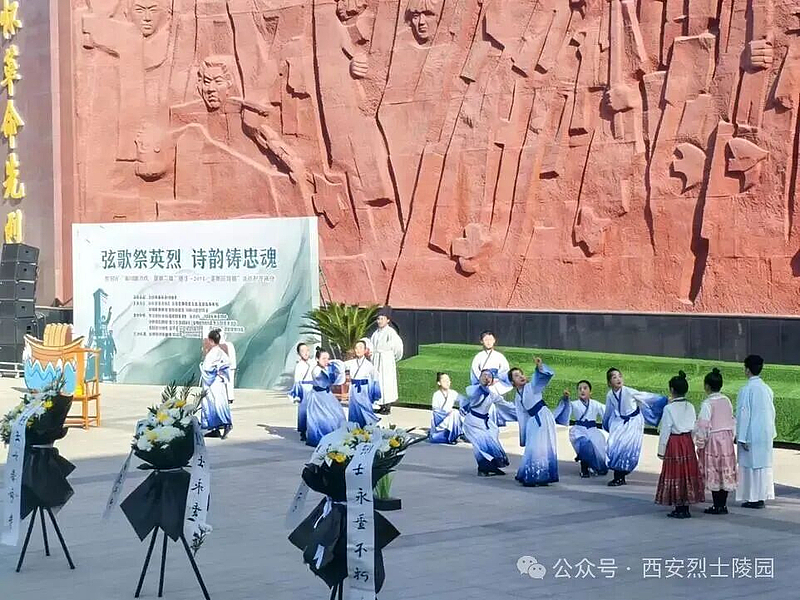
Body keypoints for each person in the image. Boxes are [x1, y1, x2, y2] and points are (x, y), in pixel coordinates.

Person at [603, 368, 668, 486]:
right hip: (620, 422)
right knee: (614, 446)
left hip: (633, 422)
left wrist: (664, 400)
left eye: (619, 376)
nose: (618, 379)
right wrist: (606, 424)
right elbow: (608, 411)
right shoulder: (610, 395)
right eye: (614, 377)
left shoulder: (629, 392)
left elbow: (647, 397)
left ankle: (619, 476)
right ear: (609, 382)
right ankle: (620, 475)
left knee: (626, 448)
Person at [510, 358, 569, 487]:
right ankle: (532, 473)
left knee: (541, 446)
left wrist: (539, 367)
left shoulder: (532, 386)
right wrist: (524, 433)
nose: (521, 376)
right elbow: (522, 415)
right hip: (533, 421)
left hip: (543, 417)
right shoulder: (518, 396)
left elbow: (540, 378)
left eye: (521, 374)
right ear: (512, 383)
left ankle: (539, 475)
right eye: (516, 376)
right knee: (532, 446)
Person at [655, 371, 704, 518]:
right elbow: (694, 426)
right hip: (687, 441)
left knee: (675, 473)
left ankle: (678, 506)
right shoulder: (690, 406)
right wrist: (692, 441)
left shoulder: (669, 408)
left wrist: (661, 450)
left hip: (675, 442)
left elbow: (665, 430)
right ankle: (686, 505)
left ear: (671, 390)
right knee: (687, 472)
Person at [693, 368, 737, 514]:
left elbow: (703, 425)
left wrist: (700, 442)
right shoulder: (726, 400)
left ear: (707, 386)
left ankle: (717, 504)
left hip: (713, 440)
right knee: (724, 470)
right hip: (726, 439)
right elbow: (732, 420)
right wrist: (731, 436)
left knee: (715, 470)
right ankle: (722, 504)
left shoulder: (707, 403)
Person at [736, 355, 776, 509]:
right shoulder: (767, 389)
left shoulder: (746, 390)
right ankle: (761, 496)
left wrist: (742, 437)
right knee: (762, 466)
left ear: (747, 370)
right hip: (765, 433)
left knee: (751, 467)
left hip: (751, 434)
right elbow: (772, 413)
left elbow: (744, 414)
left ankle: (753, 497)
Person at [461, 370, 511, 476]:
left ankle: (491, 466)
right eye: (484, 375)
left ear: (492, 381)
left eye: (489, 376)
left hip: (485, 422)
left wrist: (522, 409)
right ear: (479, 378)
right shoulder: (471, 389)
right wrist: (484, 387)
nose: (486, 377)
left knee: (491, 442)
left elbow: (505, 405)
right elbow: (474, 397)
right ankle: (483, 468)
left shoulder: (492, 395)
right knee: (479, 445)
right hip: (472, 422)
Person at [562, 381, 608, 478]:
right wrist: (565, 399)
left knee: (598, 452)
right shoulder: (574, 404)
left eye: (585, 388)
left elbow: (607, 412)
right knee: (585, 444)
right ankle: (584, 469)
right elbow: (566, 410)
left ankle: (593, 466)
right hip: (579, 430)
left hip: (593, 430)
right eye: (580, 389)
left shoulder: (595, 404)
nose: (582, 390)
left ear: (590, 392)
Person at [304, 348, 347, 447]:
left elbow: (338, 381)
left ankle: (335, 436)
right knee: (322, 417)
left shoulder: (326, 368)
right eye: (323, 358)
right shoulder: (316, 370)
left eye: (327, 358)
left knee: (337, 415)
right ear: (317, 359)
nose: (326, 361)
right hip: (318, 397)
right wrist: (335, 373)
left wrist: (338, 370)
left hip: (327, 394)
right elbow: (325, 382)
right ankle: (323, 437)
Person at [369, 306, 404, 415]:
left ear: (388, 320)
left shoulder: (391, 332)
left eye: (382, 319)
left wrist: (391, 357)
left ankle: (387, 406)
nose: (379, 321)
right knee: (378, 381)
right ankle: (380, 404)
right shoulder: (376, 333)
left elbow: (398, 347)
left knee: (387, 382)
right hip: (376, 360)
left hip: (386, 361)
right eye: (378, 319)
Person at [199, 329, 233, 439]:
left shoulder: (213, 353)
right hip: (219, 382)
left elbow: (207, 368)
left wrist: (211, 370)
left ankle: (225, 424)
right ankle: (216, 429)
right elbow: (227, 364)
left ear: (210, 340)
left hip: (213, 383)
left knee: (214, 403)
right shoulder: (220, 352)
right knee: (217, 402)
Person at [345, 339, 381, 427]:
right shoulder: (351, 363)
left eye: (361, 348)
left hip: (364, 390)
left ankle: (369, 425)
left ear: (365, 350)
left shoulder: (369, 365)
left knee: (365, 408)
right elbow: (340, 366)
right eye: (356, 348)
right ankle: (354, 428)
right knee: (354, 409)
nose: (358, 350)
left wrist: (374, 393)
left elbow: (375, 378)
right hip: (353, 389)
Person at [289, 342, 315, 442]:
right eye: (302, 351)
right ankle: (303, 431)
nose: (305, 353)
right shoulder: (299, 365)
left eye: (307, 350)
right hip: (304, 388)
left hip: (313, 387)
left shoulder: (313, 362)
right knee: (303, 410)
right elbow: (297, 380)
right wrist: (297, 393)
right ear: (299, 353)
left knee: (313, 410)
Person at [429, 372, 463, 445]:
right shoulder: (436, 395)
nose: (447, 382)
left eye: (448, 380)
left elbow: (463, 400)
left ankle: (456, 434)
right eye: (444, 381)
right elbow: (436, 412)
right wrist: (448, 412)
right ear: (439, 383)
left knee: (458, 413)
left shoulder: (452, 393)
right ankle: (450, 436)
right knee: (455, 413)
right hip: (440, 421)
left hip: (450, 419)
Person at [218, 329, 236, 404]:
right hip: (225, 366)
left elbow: (230, 357)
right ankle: (227, 397)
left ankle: (229, 397)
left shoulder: (228, 345)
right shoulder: (221, 345)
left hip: (228, 366)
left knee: (229, 382)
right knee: (224, 382)